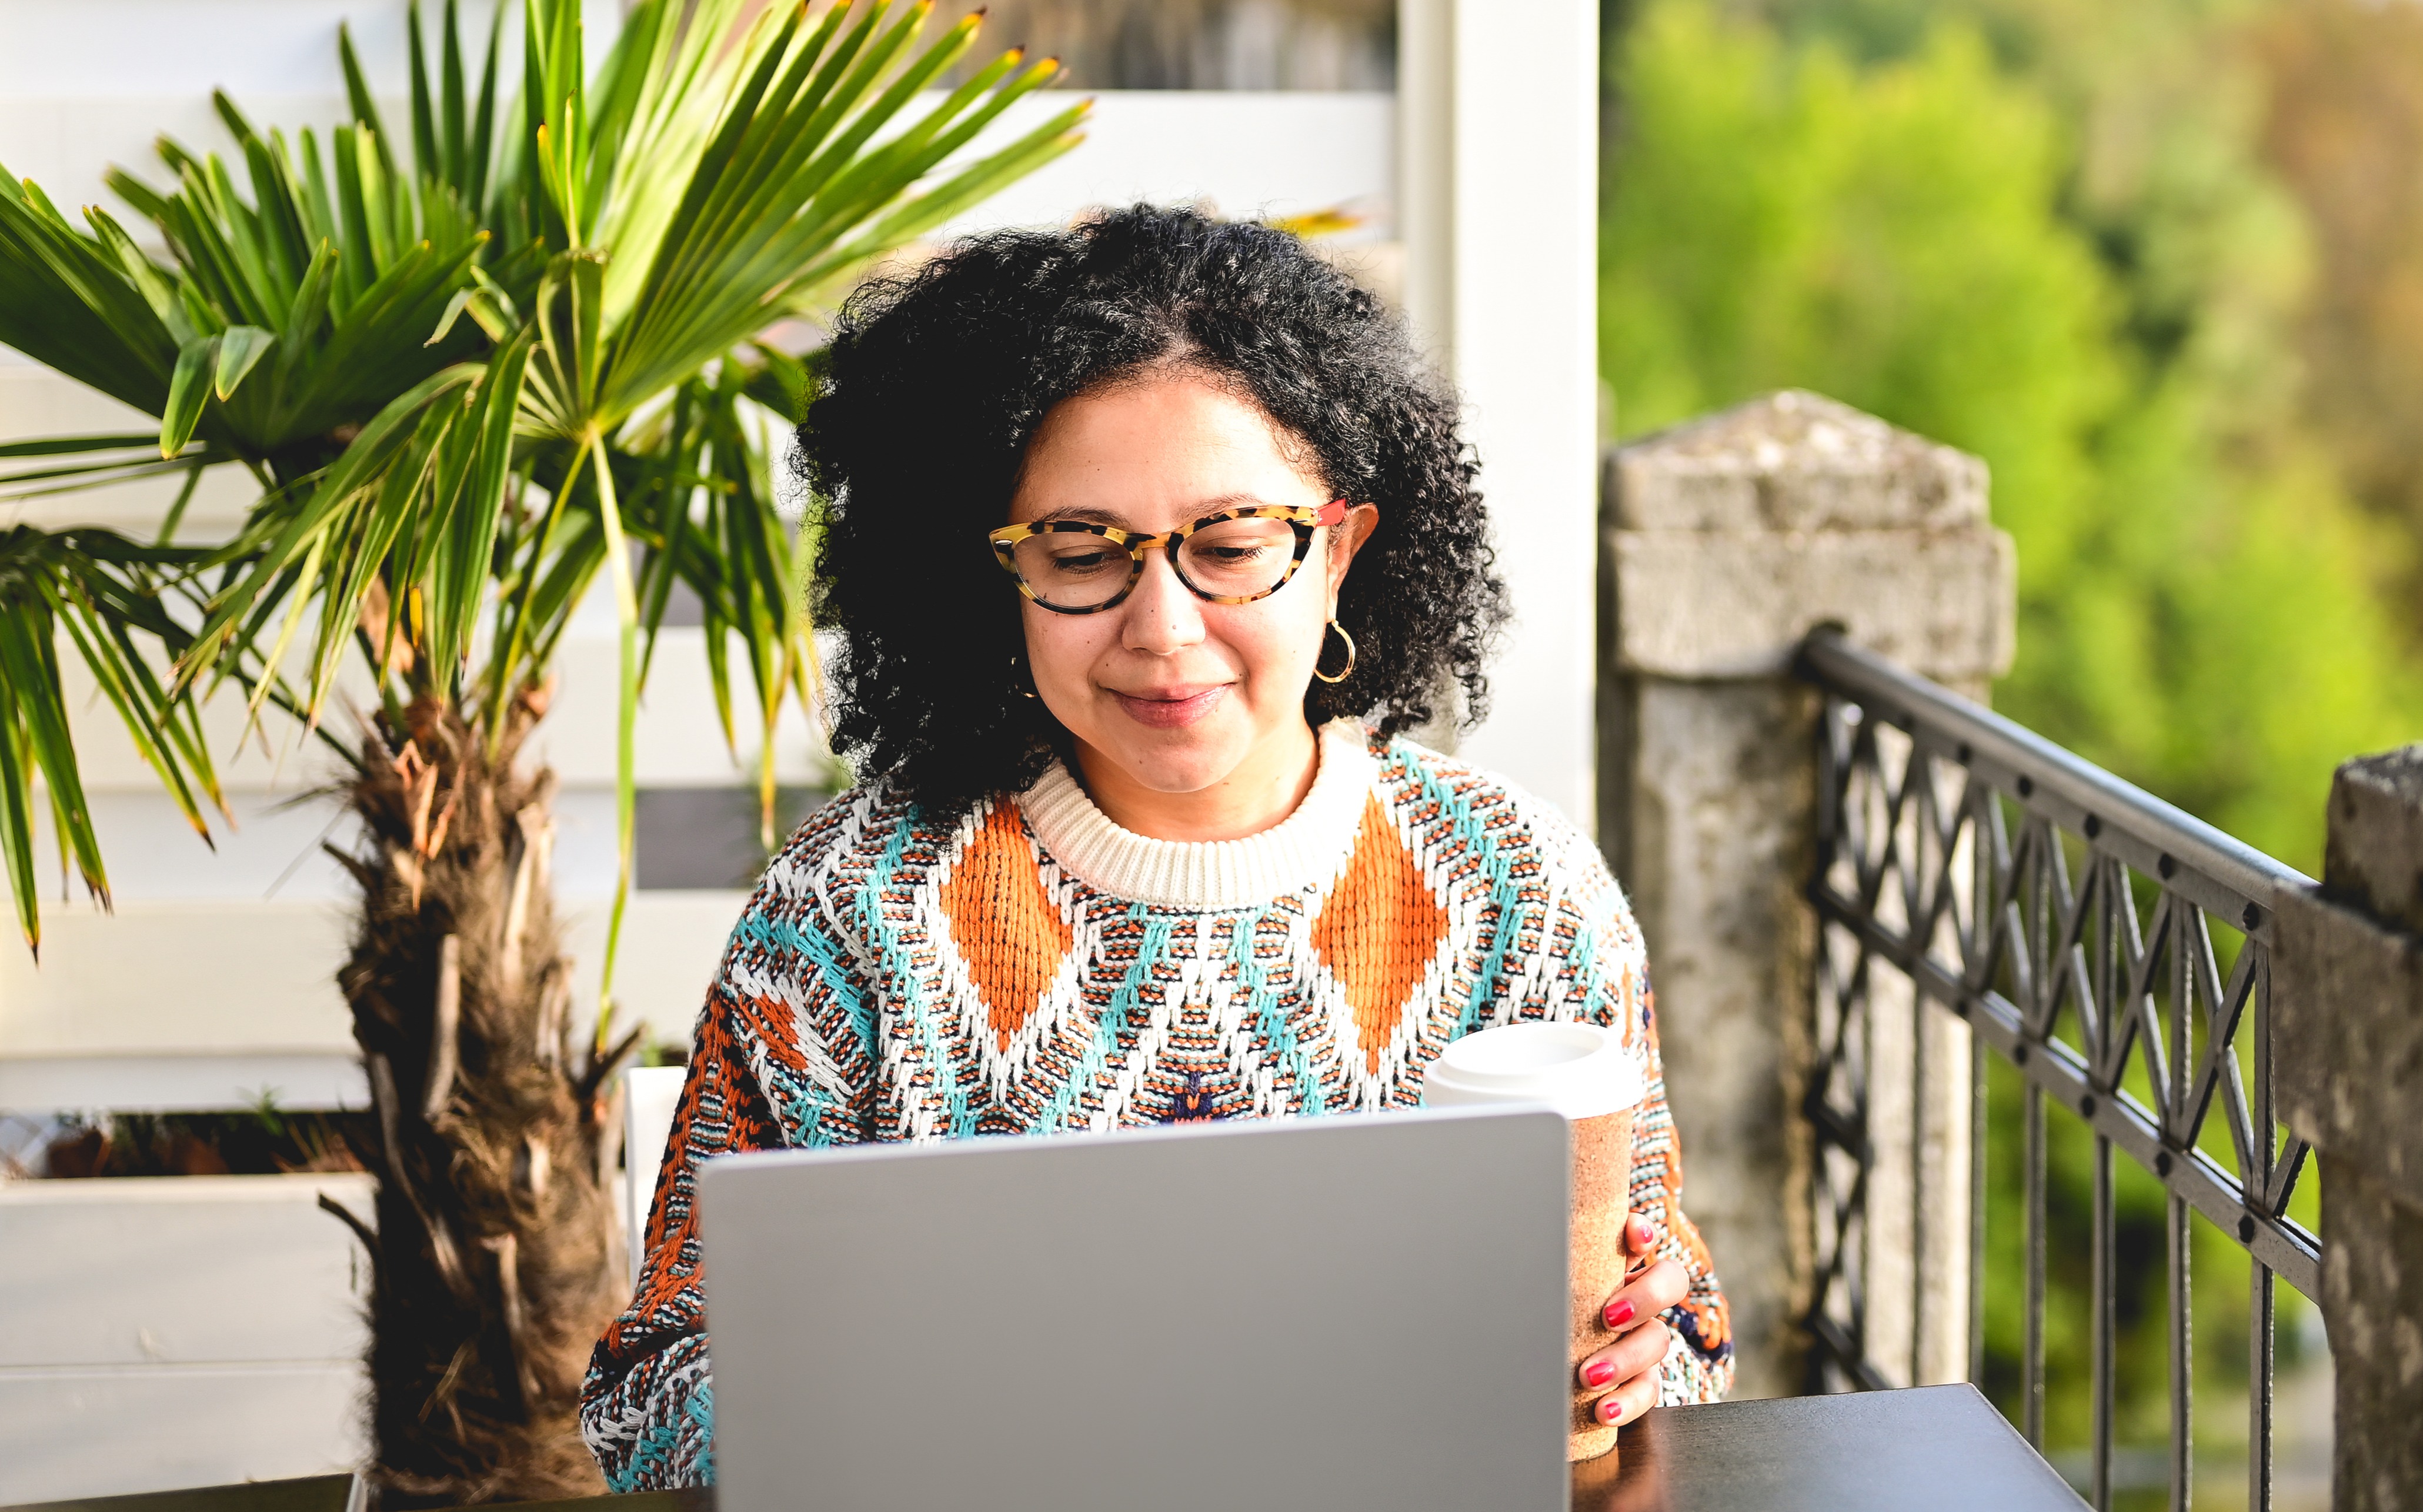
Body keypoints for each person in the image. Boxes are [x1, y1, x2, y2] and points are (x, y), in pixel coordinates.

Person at [578, 205, 1733, 1490]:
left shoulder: (1520, 890)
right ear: (994, 574)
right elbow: (653, 1387)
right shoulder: (845, 916)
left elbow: (1679, 1329)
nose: (1162, 626)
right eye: (1081, 552)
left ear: (1337, 550)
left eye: (1231, 547)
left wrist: (1643, 1347)